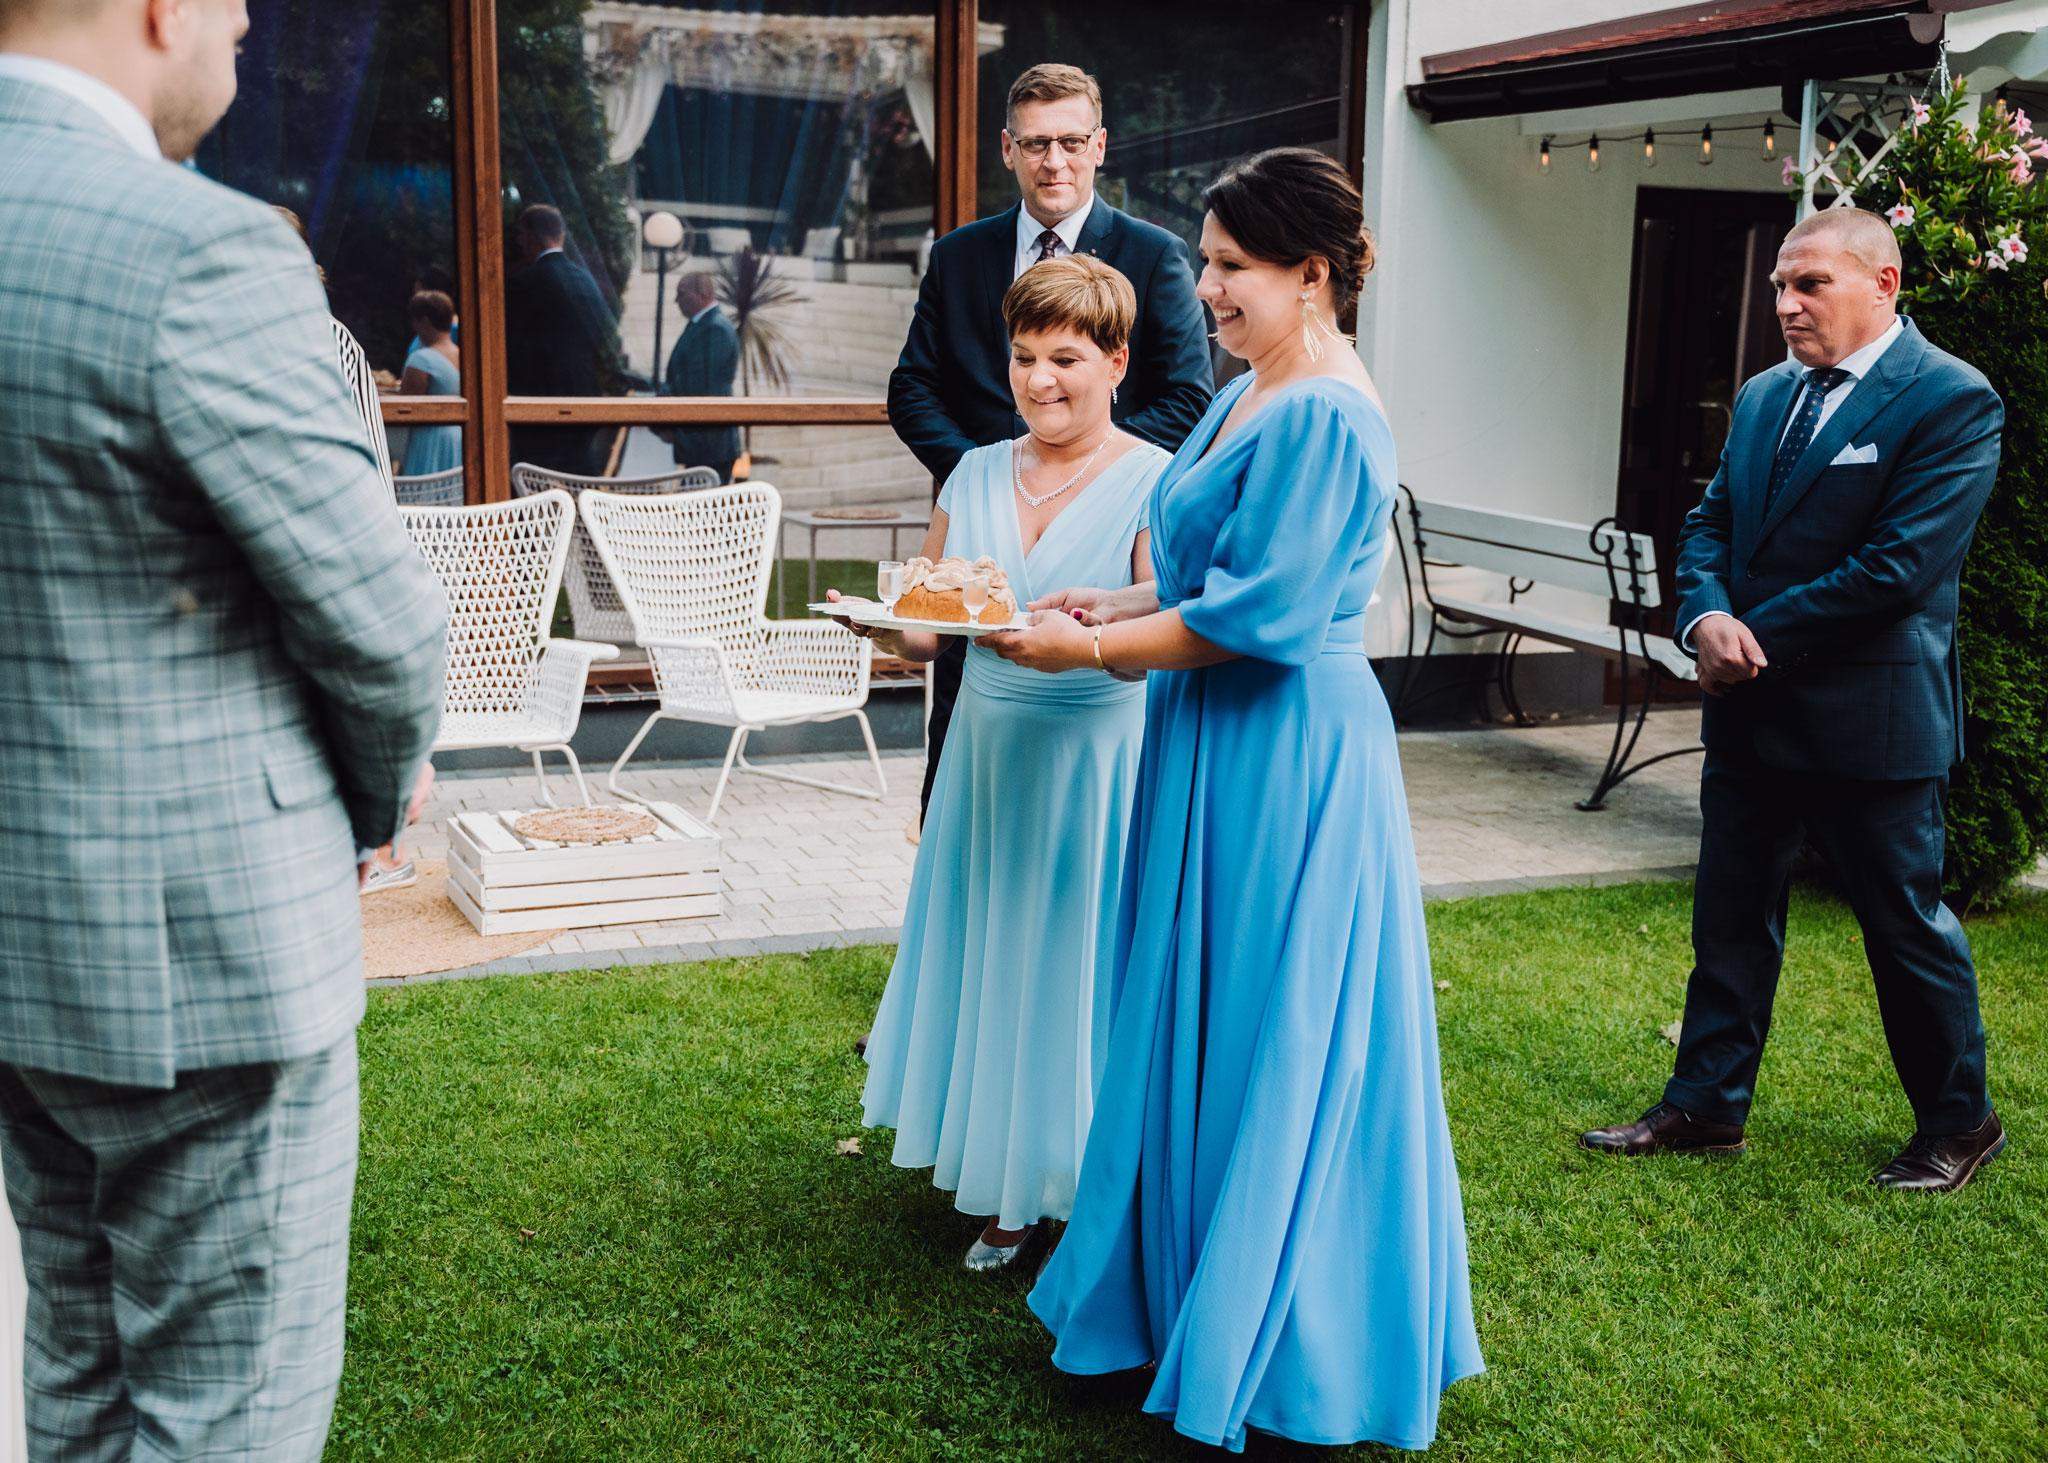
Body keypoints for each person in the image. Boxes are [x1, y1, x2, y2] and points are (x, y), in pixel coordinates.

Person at [0, 3, 448, 1458]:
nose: (248, 18)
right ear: (157, 9)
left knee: (78, 1382)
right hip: (200, 950)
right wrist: (372, 809)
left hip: (24, 946)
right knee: (225, 1424)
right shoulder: (196, 246)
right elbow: (380, 624)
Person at [988, 148, 1482, 1451]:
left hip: (1286, 750)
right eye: (1206, 262)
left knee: (1270, 1021)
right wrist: (1115, 598)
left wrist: (1086, 649)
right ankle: (1170, 1294)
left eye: (1228, 267)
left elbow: (1261, 616)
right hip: (1210, 733)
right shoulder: (1250, 387)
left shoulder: (1329, 414)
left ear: (1310, 273)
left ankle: (1282, 1338)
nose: (1203, 287)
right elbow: (1212, 571)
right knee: (1190, 1009)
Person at [1582, 208, 2007, 1192]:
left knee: (1904, 929)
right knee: (1730, 918)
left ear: (1882, 284)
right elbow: (1709, 522)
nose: (1784, 303)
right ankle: (1705, 1105)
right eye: (1780, 283)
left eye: (1809, 282)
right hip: (1750, 714)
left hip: (1872, 720)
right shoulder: (1764, 392)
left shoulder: (1951, 398)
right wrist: (1702, 617)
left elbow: (1896, 569)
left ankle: (1961, 1121)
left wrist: (1747, 637)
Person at [845, 256, 1167, 1273]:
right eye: (1024, 356)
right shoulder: (974, 473)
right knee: (994, 955)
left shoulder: (1156, 481)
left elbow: (1156, 638)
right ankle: (1006, 1182)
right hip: (986, 754)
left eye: (1064, 357)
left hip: (1094, 760)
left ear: (1116, 361)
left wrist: (1085, 644)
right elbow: (929, 630)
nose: (1039, 379)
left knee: (1077, 968)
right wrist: (878, 622)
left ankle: (1089, 1186)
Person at [888, 62, 1212, 822]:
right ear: (1007, 149)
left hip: (1106, 548)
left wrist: (1079, 468)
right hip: (981, 559)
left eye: (1070, 142)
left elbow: (1190, 399)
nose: (1053, 161)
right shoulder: (959, 255)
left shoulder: (1155, 253)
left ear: (1099, 146)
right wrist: (991, 476)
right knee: (961, 797)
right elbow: (911, 388)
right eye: (1035, 143)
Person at [505, 202, 620, 476]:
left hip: (538, 405)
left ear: (531, 236)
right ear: (561, 235)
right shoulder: (586, 281)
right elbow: (603, 338)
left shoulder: (525, 282)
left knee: (530, 479)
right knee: (577, 477)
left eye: (521, 235)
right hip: (583, 399)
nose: (519, 242)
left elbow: (512, 347)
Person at [662, 270, 741, 483]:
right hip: (703, 444)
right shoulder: (703, 325)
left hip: (710, 444)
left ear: (703, 294)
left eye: (682, 293)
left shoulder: (715, 329)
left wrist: (670, 416)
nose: (677, 300)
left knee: (702, 502)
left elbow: (702, 388)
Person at [399, 287, 463, 477]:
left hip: (430, 442)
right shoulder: (464, 355)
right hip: (459, 438)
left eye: (415, 320)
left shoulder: (421, 359)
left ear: (425, 322)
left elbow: (405, 406)